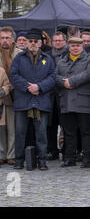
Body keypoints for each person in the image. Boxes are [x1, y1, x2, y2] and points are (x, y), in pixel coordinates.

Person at [10, 28, 56, 170]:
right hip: (23, 100)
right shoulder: (19, 58)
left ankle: (42, 160)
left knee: (41, 134)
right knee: (20, 132)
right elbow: (14, 75)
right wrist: (27, 87)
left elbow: (52, 77)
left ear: (41, 43)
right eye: (31, 41)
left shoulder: (48, 59)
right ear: (27, 43)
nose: (33, 44)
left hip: (40, 101)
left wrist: (39, 87)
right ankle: (19, 160)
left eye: (36, 41)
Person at [55, 37, 90, 168]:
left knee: (86, 132)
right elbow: (55, 76)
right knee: (69, 132)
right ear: (69, 47)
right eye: (73, 45)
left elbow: (88, 74)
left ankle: (87, 159)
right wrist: (64, 82)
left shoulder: (88, 59)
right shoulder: (61, 61)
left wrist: (72, 81)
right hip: (66, 100)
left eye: (78, 46)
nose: (75, 48)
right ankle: (70, 158)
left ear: (82, 47)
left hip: (83, 101)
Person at [0, 26, 22, 166]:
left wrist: (8, 88)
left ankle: (11, 154)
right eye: (2, 38)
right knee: (0, 127)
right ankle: (1, 154)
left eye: (7, 38)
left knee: (12, 127)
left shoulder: (19, 54)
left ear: (13, 39)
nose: (4, 41)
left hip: (15, 95)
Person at [47, 31, 69, 161]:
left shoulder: (69, 55)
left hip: (65, 93)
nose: (57, 43)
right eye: (55, 41)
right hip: (50, 95)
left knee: (66, 125)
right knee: (50, 125)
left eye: (60, 40)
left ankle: (66, 150)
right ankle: (52, 150)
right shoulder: (47, 56)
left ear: (65, 41)